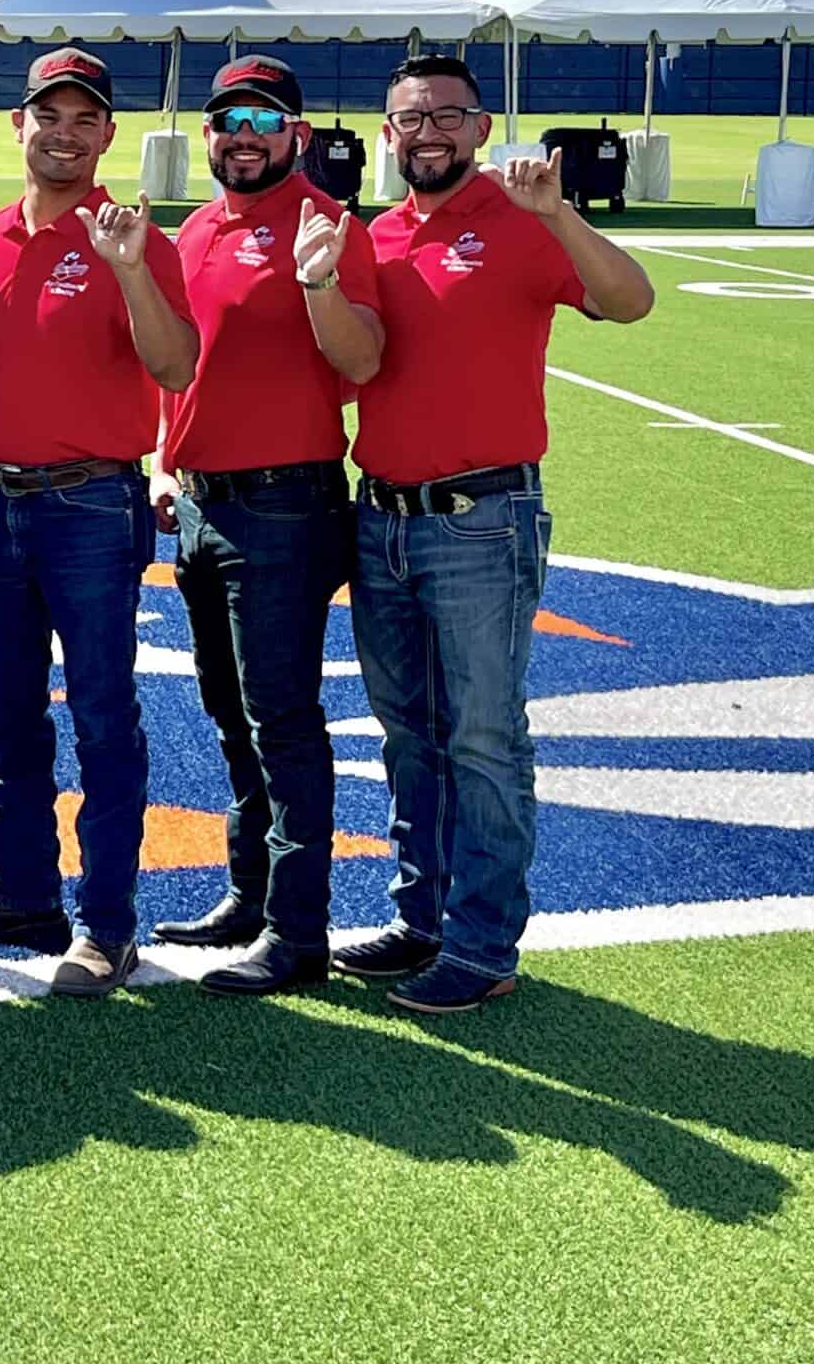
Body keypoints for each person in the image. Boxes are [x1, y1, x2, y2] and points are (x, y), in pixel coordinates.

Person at [334, 54, 653, 1014]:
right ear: (385, 136)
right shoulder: (374, 235)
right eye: (406, 119)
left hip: (481, 519)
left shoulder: (521, 223)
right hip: (381, 514)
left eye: (444, 115)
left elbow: (629, 300)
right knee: (407, 735)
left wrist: (559, 212)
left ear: (479, 127)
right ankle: (422, 915)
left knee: (483, 738)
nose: (424, 132)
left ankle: (483, 942)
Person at [0, 45, 197, 999]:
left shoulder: (135, 235)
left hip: (93, 500)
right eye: (50, 116)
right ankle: (25, 890)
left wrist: (126, 270)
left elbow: (173, 366)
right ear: (20, 125)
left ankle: (107, 922)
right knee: (5, 707)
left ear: (108, 134)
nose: (65, 134)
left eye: (85, 120)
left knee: (102, 712)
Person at [148, 54, 384, 996]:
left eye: (263, 118)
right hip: (203, 501)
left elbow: (362, 364)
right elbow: (189, 364)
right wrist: (173, 461)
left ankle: (299, 931)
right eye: (227, 119)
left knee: (283, 719)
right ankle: (250, 892)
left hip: (285, 502)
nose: (243, 135)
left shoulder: (328, 226)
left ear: (294, 131)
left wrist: (321, 283)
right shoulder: (198, 225)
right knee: (229, 715)